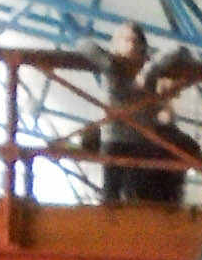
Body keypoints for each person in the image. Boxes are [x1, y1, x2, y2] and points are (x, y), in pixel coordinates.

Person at [79, 22, 193, 203]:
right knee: (111, 198)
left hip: (142, 142)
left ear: (142, 45)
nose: (131, 45)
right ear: (116, 43)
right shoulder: (110, 66)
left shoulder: (148, 69)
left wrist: (148, 70)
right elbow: (82, 44)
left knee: (137, 198)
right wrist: (108, 64)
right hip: (114, 142)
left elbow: (180, 50)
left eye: (135, 41)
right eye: (125, 40)